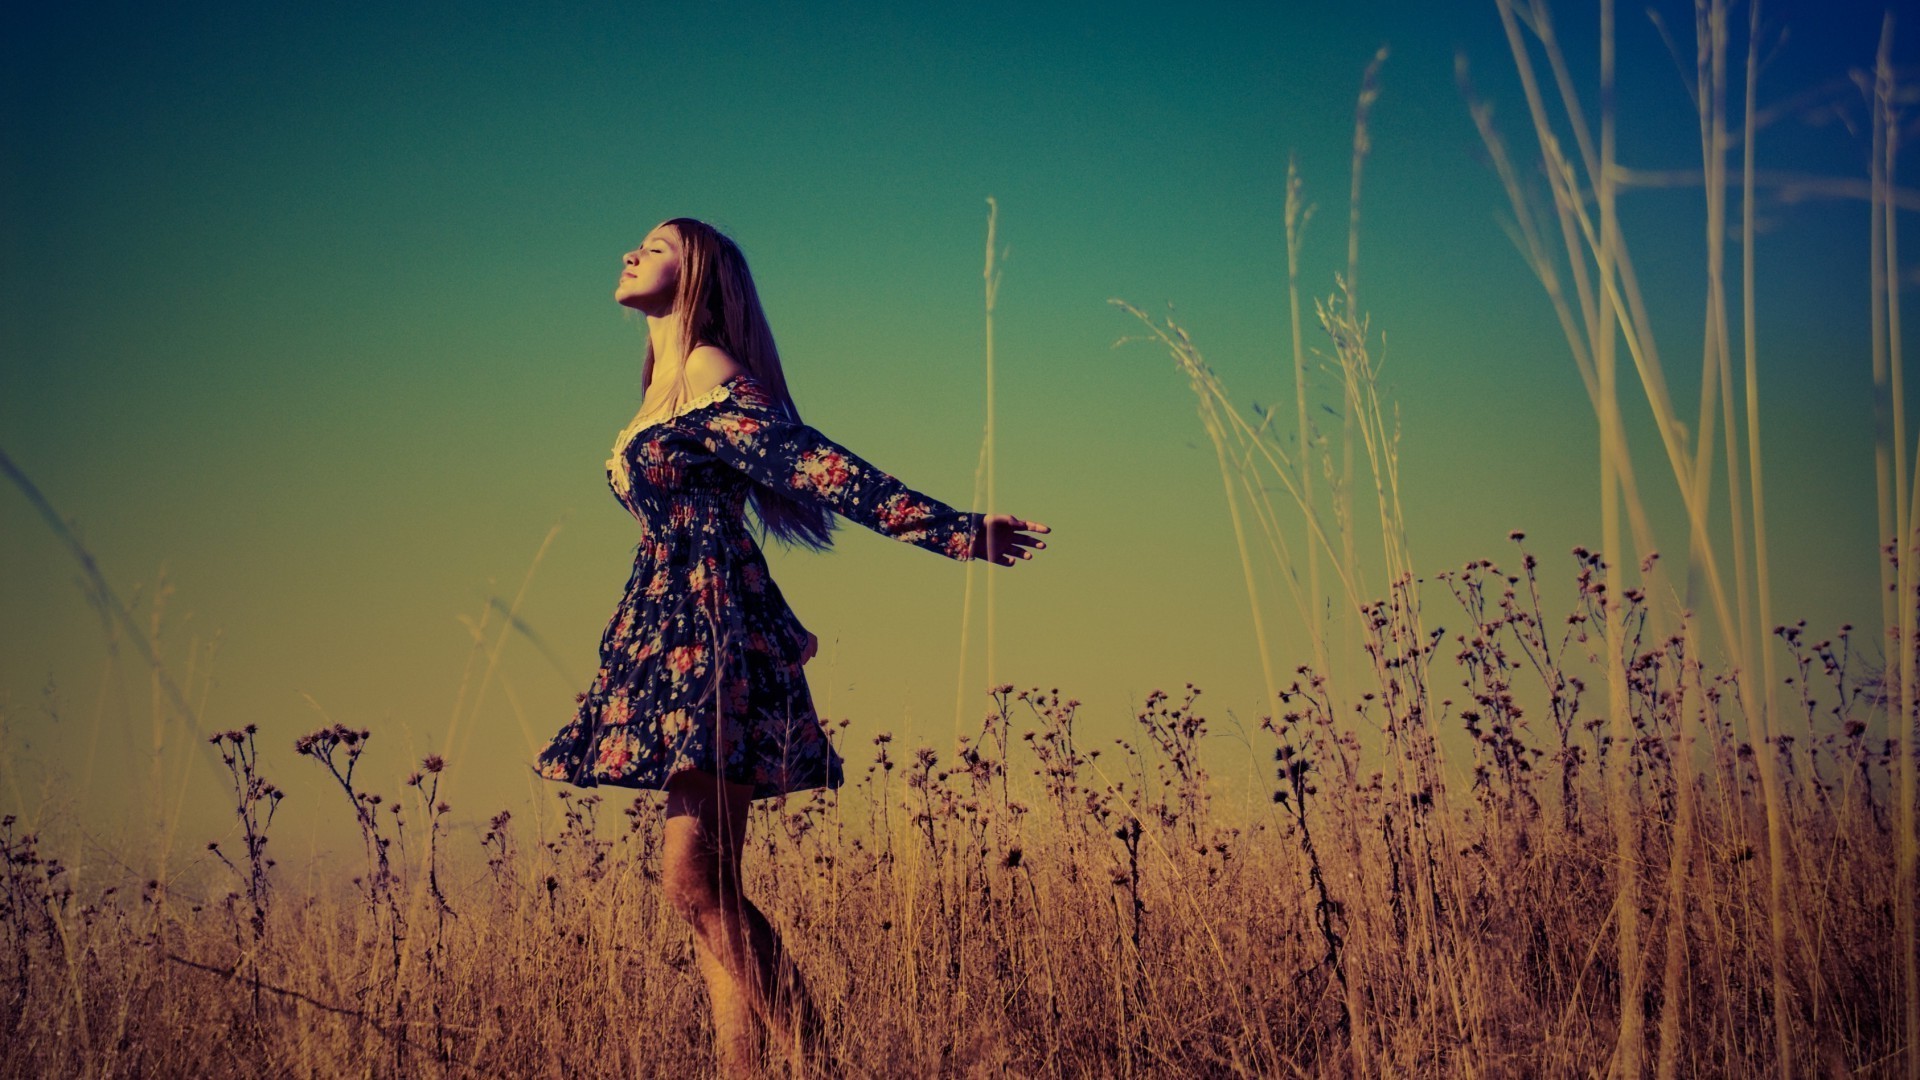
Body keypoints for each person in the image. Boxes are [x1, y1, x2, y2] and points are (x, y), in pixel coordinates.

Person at [532, 217, 1050, 1074]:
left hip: (712, 636)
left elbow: (820, 468)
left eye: (656, 247)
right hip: (670, 634)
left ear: (699, 276)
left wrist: (957, 531)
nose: (631, 252)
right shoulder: (661, 386)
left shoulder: (711, 375)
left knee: (691, 884)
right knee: (713, 893)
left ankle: (823, 1063)